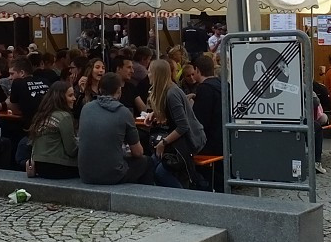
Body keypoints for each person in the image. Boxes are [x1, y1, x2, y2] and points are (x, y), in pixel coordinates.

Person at [78, 72, 154, 185]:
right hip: (112, 175)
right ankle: (143, 197)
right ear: (119, 91)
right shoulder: (124, 112)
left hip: (85, 173)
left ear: (100, 90)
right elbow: (138, 152)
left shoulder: (86, 108)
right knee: (147, 162)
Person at [148, 58, 207, 188]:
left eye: (150, 72)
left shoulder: (171, 93)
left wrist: (163, 143)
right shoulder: (170, 90)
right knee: (152, 164)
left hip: (189, 141)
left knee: (160, 171)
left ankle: (182, 198)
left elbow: (183, 126)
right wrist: (155, 113)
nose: (148, 75)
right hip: (179, 142)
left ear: (157, 74)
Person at [27, 81, 79, 179]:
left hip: (39, 167)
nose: (74, 98)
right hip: (58, 167)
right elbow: (71, 150)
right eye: (70, 95)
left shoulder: (41, 115)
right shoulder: (64, 117)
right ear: (61, 97)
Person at [190, 55, 223, 156]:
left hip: (210, 144)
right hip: (222, 139)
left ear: (197, 70)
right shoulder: (222, 84)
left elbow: (200, 120)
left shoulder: (205, 89)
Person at [8, 58, 51, 129]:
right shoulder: (46, 81)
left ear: (22, 73)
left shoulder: (18, 83)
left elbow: (14, 109)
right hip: (50, 124)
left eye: (12, 74)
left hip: (32, 129)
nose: (9, 77)